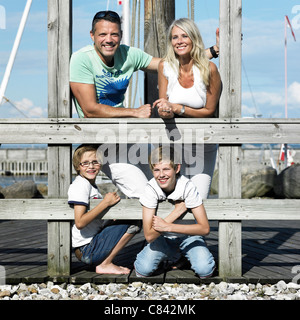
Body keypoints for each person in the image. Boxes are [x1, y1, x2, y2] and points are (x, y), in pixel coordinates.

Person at [69, 11, 219, 198]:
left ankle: (138, 226)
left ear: (121, 35)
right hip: (102, 140)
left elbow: (171, 63)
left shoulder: (129, 54)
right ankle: (131, 227)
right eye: (102, 34)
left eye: (114, 34)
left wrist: (212, 51)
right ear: (92, 35)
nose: (109, 39)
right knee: (144, 194)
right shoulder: (82, 59)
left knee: (161, 187)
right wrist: (134, 112)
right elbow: (90, 110)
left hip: (127, 135)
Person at [153, 18, 222, 199]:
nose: (179, 41)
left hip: (202, 143)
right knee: (171, 197)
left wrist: (178, 108)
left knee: (198, 197)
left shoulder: (209, 69)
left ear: (194, 39)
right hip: (173, 142)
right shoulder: (165, 66)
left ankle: (193, 228)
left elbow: (209, 111)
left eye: (185, 36)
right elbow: (163, 103)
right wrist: (164, 111)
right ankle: (168, 227)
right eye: (175, 37)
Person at [134, 146, 215, 278]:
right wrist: (176, 212)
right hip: (163, 238)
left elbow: (205, 228)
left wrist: (168, 226)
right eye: (156, 170)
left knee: (205, 270)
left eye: (166, 169)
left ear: (177, 168)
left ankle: (184, 255)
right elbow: (149, 236)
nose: (161, 175)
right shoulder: (150, 188)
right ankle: (175, 255)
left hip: (189, 237)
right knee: (142, 270)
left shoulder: (187, 186)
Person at [68, 144, 140, 274]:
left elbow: (93, 220)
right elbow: (80, 222)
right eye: (85, 163)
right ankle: (105, 264)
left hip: (90, 246)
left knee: (129, 218)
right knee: (134, 222)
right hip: (87, 249)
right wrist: (105, 203)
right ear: (78, 166)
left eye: (95, 162)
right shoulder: (80, 185)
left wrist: (108, 219)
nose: (91, 166)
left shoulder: (90, 185)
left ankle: (103, 262)